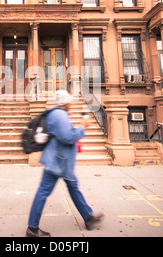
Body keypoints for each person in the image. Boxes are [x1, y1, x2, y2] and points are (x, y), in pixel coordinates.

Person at [26, 90, 103, 237]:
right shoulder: (59, 114)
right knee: (43, 192)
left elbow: (63, 134)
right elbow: (68, 137)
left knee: (73, 187)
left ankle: (88, 217)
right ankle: (32, 228)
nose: (72, 103)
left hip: (62, 161)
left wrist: (79, 127)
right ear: (65, 102)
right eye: (70, 101)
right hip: (57, 162)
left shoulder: (57, 113)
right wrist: (82, 126)